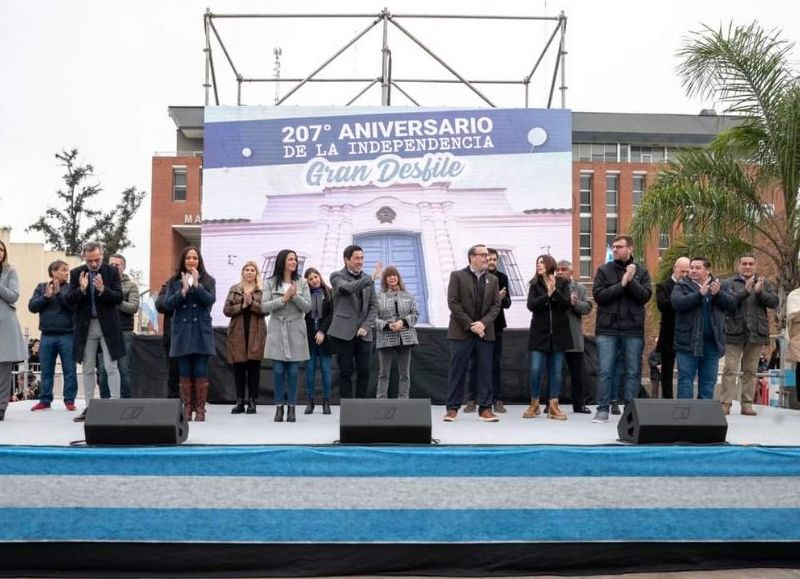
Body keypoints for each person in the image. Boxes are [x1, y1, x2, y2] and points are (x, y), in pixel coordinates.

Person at [591, 235, 652, 423]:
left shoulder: (641, 272)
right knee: (605, 370)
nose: (615, 250)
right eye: (613, 247)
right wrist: (622, 283)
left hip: (633, 329)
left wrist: (631, 281)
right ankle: (602, 408)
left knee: (633, 371)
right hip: (607, 329)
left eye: (619, 246)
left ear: (630, 249)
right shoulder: (603, 270)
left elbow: (644, 297)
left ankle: (630, 410)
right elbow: (599, 296)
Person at [65, 241, 124, 423]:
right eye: (90, 260)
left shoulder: (111, 271)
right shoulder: (76, 273)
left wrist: (103, 290)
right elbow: (68, 301)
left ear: (102, 255)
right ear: (84, 257)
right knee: (87, 367)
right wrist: (81, 289)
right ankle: (89, 406)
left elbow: (119, 297)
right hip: (86, 326)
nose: (93, 264)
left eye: (97, 259)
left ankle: (115, 405)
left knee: (111, 366)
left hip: (108, 326)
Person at [443, 244, 502, 423]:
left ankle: (485, 409)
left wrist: (482, 324)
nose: (486, 258)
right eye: (483, 255)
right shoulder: (457, 276)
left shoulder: (493, 279)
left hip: (485, 333)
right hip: (461, 332)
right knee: (457, 371)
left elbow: (496, 305)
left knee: (485, 371)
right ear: (472, 257)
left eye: (487, 255)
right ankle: (452, 408)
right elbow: (453, 302)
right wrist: (471, 325)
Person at [720, 254, 779, 415]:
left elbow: (774, 302)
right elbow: (726, 302)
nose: (747, 266)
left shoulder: (765, 283)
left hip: (756, 333)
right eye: (744, 263)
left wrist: (760, 293)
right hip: (734, 331)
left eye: (750, 264)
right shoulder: (729, 283)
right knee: (730, 369)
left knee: (751, 371)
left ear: (755, 265)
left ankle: (747, 404)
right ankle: (726, 403)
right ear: (739, 265)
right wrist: (744, 292)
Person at [671, 257, 736, 400]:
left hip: (712, 343)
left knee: (708, 381)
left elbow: (732, 304)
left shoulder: (720, 285)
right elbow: (677, 303)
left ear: (707, 270)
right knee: (685, 380)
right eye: (691, 267)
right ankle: (685, 416)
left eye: (697, 268)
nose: (693, 270)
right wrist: (699, 294)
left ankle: (704, 415)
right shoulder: (682, 285)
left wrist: (718, 294)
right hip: (688, 342)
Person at [164, 246, 216, 422]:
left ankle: (200, 408)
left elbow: (210, 300)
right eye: (188, 258)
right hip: (182, 331)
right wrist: (183, 291)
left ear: (199, 261)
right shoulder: (173, 282)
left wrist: (197, 285)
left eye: (195, 258)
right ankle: (187, 408)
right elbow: (168, 304)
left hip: (201, 331)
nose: (191, 261)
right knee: (185, 371)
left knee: (200, 370)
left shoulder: (208, 280)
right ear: (183, 261)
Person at [262, 249, 311, 423]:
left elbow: (307, 307)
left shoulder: (302, 282)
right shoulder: (270, 282)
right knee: (278, 370)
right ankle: (278, 407)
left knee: (293, 371)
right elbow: (264, 307)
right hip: (277, 328)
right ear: (282, 261)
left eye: (295, 259)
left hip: (296, 327)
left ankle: (292, 408)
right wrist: (284, 298)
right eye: (290, 259)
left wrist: (294, 295)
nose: (294, 262)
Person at [328, 245, 381, 399]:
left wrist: (366, 326)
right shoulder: (336, 276)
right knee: (345, 372)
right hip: (343, 333)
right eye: (357, 258)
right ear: (346, 260)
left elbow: (374, 305)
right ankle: (347, 409)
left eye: (362, 258)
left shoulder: (366, 278)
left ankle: (361, 408)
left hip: (363, 334)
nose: (360, 261)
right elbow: (346, 289)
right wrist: (369, 279)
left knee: (364, 371)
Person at [524, 254, 572, 420]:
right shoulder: (534, 284)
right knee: (536, 369)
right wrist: (547, 295)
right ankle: (534, 403)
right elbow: (531, 305)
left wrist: (555, 292)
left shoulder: (563, 283)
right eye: (537, 262)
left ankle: (553, 405)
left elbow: (566, 304)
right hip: (539, 334)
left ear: (550, 264)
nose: (539, 265)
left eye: (542, 262)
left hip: (559, 334)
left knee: (556, 371)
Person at [464, 247, 512, 413]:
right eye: (488, 258)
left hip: (496, 326)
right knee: (473, 363)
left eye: (494, 259)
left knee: (495, 364)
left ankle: (497, 399)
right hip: (476, 326)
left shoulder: (502, 277)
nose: (491, 261)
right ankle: (471, 399)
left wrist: (500, 298)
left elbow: (507, 304)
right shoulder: (475, 277)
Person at [28, 260, 79, 412]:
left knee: (69, 369)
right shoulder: (41, 287)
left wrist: (59, 294)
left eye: (67, 270)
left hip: (67, 335)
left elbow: (73, 307)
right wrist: (46, 297)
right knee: (46, 370)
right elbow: (32, 307)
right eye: (63, 270)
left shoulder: (71, 288)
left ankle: (69, 400)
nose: (67, 273)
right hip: (47, 335)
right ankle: (45, 400)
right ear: (53, 272)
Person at [223, 260, 266, 415]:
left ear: (256, 273)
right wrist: (241, 306)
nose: (249, 272)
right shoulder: (235, 289)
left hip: (256, 333)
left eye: (252, 270)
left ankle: (252, 402)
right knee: (239, 369)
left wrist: (252, 303)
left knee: (254, 369)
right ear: (243, 272)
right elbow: (226, 310)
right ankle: (240, 401)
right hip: (237, 334)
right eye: (247, 269)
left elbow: (266, 310)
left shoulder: (262, 290)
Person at [97, 254, 139, 398]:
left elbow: (133, 307)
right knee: (103, 370)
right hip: (104, 331)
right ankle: (104, 402)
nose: (114, 267)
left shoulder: (131, 286)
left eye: (118, 265)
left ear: (124, 267)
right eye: (112, 264)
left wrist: (116, 298)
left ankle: (125, 402)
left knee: (124, 369)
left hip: (124, 331)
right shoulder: (100, 283)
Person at [375, 266, 419, 399]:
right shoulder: (378, 296)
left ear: (398, 278)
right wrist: (387, 325)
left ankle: (403, 400)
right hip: (385, 337)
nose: (392, 278)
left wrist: (403, 322)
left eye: (394, 275)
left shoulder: (408, 295)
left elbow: (415, 314)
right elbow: (373, 317)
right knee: (383, 373)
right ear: (385, 279)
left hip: (405, 338)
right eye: (389, 276)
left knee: (404, 373)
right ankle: (381, 400)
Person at [556, 259, 593, 413]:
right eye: (557, 269)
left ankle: (579, 405)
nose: (559, 272)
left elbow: (587, 307)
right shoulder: (552, 287)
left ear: (571, 272)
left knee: (577, 374)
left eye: (563, 269)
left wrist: (574, 304)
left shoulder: (579, 288)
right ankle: (551, 404)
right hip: (556, 337)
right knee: (554, 373)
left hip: (573, 337)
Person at [0, 240, 28, 421]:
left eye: (1, 249)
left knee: (3, 370)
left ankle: (1, 407)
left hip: (5, 325)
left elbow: (13, 296)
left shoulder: (10, 271)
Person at [655, 257, 690, 399]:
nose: (685, 275)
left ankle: (684, 399)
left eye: (687, 272)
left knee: (686, 370)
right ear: (675, 269)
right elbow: (662, 306)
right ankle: (667, 398)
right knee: (667, 370)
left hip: (687, 334)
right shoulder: (663, 286)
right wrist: (678, 294)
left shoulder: (692, 287)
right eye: (682, 271)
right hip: (669, 334)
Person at [303, 267, 333, 414]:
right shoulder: (305, 295)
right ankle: (310, 401)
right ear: (307, 282)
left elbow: (331, 315)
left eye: (316, 277)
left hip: (325, 338)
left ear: (320, 277)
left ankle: (326, 402)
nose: (314, 281)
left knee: (326, 371)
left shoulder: (329, 293)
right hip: (309, 338)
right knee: (310, 371)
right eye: (310, 279)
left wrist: (322, 331)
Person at [155, 280, 180, 398]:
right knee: (173, 370)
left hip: (193, 334)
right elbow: (160, 305)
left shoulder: (202, 282)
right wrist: (179, 298)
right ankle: (173, 399)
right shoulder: (169, 285)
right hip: (172, 335)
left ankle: (192, 402)